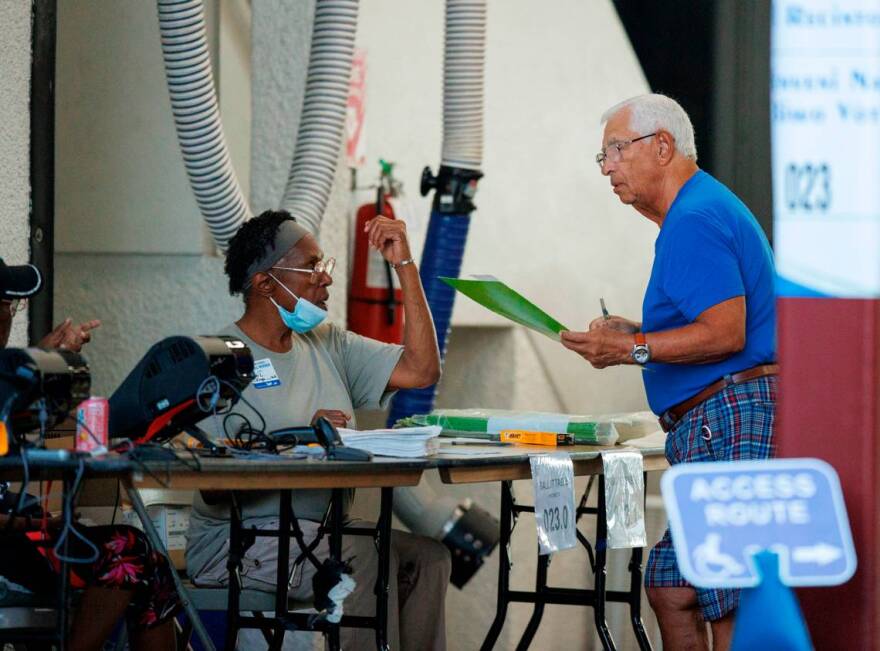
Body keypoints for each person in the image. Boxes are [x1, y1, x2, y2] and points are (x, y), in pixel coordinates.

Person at [559, 94, 777, 650]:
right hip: (719, 419)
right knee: (671, 584)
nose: (607, 166)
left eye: (616, 148)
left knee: (727, 596)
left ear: (663, 146)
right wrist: (632, 330)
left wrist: (629, 348)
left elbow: (725, 334)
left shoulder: (694, 219)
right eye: (601, 154)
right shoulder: (698, 211)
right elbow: (709, 321)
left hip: (729, 417)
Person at [185, 210, 450, 650]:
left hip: (323, 532)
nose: (325, 279)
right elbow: (212, 486)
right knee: (364, 554)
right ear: (265, 284)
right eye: (311, 267)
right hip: (242, 542)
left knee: (429, 558)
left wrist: (405, 266)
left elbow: (422, 369)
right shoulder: (219, 360)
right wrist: (299, 437)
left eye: (322, 265)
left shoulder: (327, 343)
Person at [0, 257, 181, 650]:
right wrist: (31, 522)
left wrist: (45, 360)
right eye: (5, 306)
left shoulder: (4, 381)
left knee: (149, 563)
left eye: (10, 307)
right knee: (128, 554)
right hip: (8, 537)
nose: (8, 318)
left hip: (16, 530)